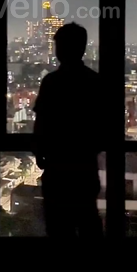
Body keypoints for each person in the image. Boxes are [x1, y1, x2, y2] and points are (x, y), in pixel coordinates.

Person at [33, 22, 104, 239]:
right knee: (88, 223)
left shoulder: (52, 82)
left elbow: (41, 122)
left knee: (58, 228)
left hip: (58, 167)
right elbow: (102, 125)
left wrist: (40, 152)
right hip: (84, 167)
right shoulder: (94, 82)